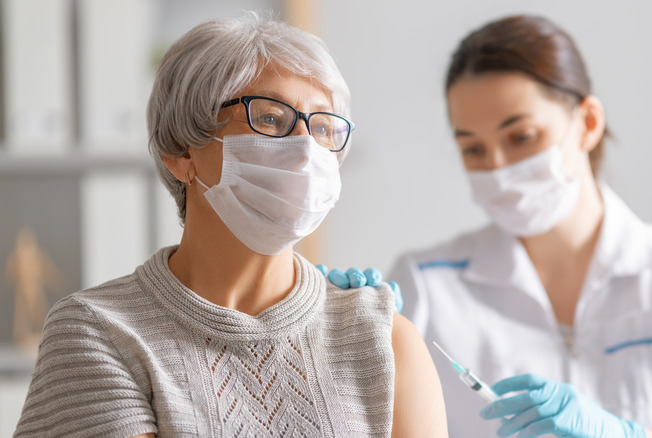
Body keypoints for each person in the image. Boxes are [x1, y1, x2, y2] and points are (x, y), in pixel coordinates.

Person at [14, 13, 447, 438]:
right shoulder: (101, 333)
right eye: (271, 118)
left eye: (323, 127)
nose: (305, 149)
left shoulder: (382, 338)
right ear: (181, 152)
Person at [387, 14, 652, 438]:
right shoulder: (424, 286)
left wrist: (624, 434)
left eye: (521, 136)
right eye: (473, 148)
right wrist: (325, 323)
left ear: (588, 123)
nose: (496, 167)